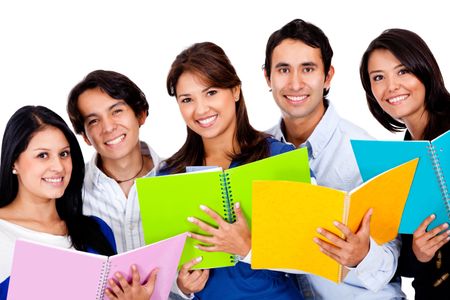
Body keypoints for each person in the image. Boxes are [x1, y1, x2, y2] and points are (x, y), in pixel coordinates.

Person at [264, 19, 403, 299]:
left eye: (308, 69)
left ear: (327, 77)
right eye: (283, 70)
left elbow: (391, 261)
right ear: (268, 77)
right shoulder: (257, 153)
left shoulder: (365, 151)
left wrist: (362, 254)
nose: (295, 83)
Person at [162, 41, 302, 299]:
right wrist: (183, 287)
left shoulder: (281, 160)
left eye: (211, 92)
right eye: (187, 99)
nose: (201, 109)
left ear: (235, 90)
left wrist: (248, 248)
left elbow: (310, 256)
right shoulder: (169, 176)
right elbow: (163, 272)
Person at [0, 106, 157, 300]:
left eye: (64, 154)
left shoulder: (96, 230)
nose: (58, 167)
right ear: (14, 162)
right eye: (43, 155)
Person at [360, 28, 450, 299]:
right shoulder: (401, 157)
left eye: (402, 72)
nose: (391, 87)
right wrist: (420, 253)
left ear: (424, 70)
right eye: (378, 78)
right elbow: (407, 265)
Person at [67, 70, 161, 254]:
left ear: (140, 114)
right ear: (85, 137)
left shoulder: (181, 177)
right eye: (94, 121)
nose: (108, 127)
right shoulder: (69, 191)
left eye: (117, 111)